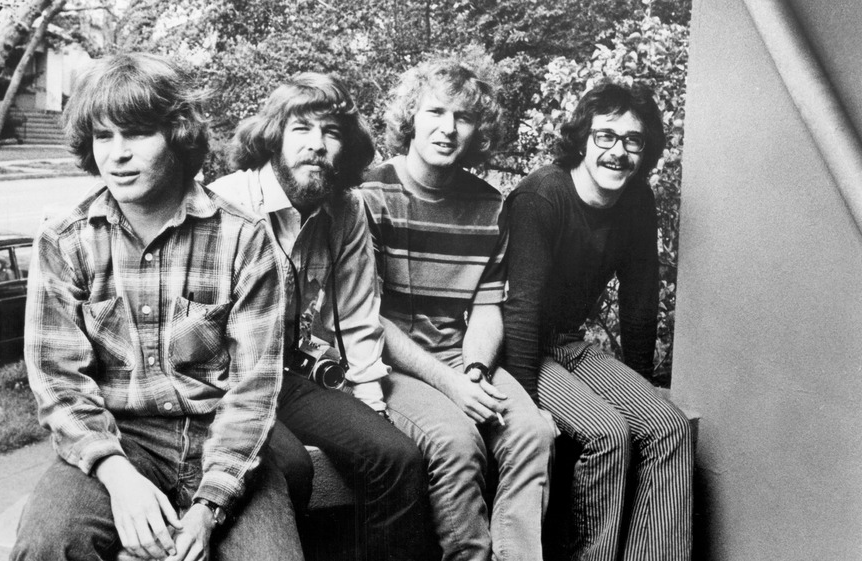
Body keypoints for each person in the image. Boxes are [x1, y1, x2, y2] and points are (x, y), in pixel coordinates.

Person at [12, 53, 303, 561]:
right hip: (119, 439)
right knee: (46, 544)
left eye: (138, 133)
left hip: (221, 439)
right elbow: (57, 381)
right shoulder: (65, 239)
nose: (117, 154)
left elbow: (253, 391)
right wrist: (117, 475)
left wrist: (210, 505)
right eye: (104, 136)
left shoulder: (245, 239)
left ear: (178, 135)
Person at [207, 72, 433, 561]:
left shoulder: (345, 210)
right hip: (222, 381)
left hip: (288, 375)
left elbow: (356, 315)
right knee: (289, 467)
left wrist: (370, 408)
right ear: (274, 136)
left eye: (331, 133)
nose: (317, 145)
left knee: (396, 457)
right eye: (302, 129)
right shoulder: (228, 201)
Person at [359, 57, 556, 561]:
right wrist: (451, 387)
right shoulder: (368, 195)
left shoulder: (490, 205)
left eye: (463, 117)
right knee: (456, 440)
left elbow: (487, 308)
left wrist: (471, 370)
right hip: (388, 362)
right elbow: (367, 318)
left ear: (477, 130)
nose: (448, 128)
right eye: (435, 112)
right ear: (412, 117)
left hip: (457, 355)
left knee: (532, 434)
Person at [502, 80, 693, 561]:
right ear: (583, 139)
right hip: (518, 347)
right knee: (607, 434)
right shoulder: (541, 196)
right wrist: (525, 407)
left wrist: (643, 389)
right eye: (606, 136)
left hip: (568, 341)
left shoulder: (637, 200)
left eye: (633, 141)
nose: (618, 151)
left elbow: (640, 300)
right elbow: (519, 310)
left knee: (667, 425)